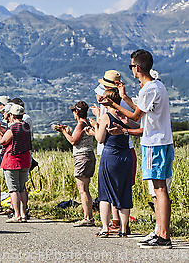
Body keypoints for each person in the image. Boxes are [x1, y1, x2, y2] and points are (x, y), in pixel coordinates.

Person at [101, 50, 174, 248]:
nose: (131, 70)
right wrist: (124, 97)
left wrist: (114, 103)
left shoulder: (148, 89)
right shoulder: (157, 86)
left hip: (155, 143)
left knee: (159, 190)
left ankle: (164, 235)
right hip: (161, 142)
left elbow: (134, 117)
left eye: (131, 66)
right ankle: (159, 231)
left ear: (138, 68)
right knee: (159, 189)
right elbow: (140, 111)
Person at [92, 75, 138, 234]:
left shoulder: (106, 117)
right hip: (126, 156)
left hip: (110, 156)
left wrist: (96, 124)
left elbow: (100, 139)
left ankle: (105, 228)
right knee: (125, 191)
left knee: (104, 192)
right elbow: (138, 127)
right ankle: (124, 229)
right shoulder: (125, 117)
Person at [52, 101, 96, 227]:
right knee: (85, 188)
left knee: (83, 190)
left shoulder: (80, 124)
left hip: (81, 157)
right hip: (88, 155)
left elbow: (73, 141)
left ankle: (87, 217)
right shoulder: (87, 122)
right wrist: (67, 131)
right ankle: (88, 216)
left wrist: (63, 131)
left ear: (76, 112)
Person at [0, 104, 32, 223]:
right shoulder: (25, 126)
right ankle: (23, 214)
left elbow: (3, 141)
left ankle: (17, 215)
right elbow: (13, 135)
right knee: (22, 188)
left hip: (12, 160)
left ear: (12, 115)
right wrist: (2, 129)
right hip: (25, 160)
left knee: (13, 189)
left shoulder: (13, 127)